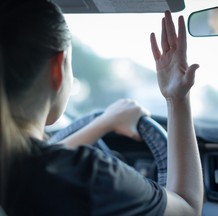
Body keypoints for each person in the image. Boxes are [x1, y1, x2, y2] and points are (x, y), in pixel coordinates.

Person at [0, 0, 204, 215]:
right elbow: (187, 209)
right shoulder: (90, 177)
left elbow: (39, 161)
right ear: (57, 69)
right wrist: (177, 98)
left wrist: (104, 122)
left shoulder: (18, 168)